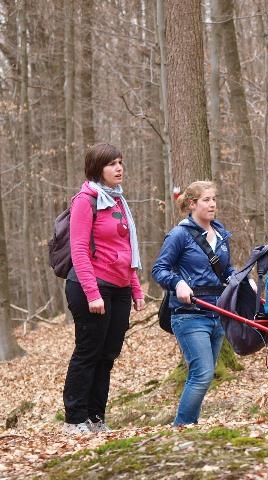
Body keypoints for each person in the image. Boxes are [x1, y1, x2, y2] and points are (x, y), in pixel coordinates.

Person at [62, 143, 146, 435]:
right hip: (91, 285)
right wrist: (92, 293)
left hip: (119, 286)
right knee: (88, 351)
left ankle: (96, 417)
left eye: (120, 162)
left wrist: (135, 290)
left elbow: (126, 249)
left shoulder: (118, 200)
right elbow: (79, 250)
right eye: (111, 164)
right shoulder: (86, 200)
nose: (118, 168)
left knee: (108, 355)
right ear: (98, 169)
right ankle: (75, 418)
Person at [152, 181, 234, 426]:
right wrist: (177, 283)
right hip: (189, 315)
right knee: (202, 373)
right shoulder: (179, 235)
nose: (212, 204)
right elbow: (159, 269)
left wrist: (239, 280)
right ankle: (182, 427)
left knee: (205, 376)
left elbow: (226, 269)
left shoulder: (220, 234)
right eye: (206, 200)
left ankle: (189, 426)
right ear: (191, 204)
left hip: (217, 313)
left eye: (214, 199)